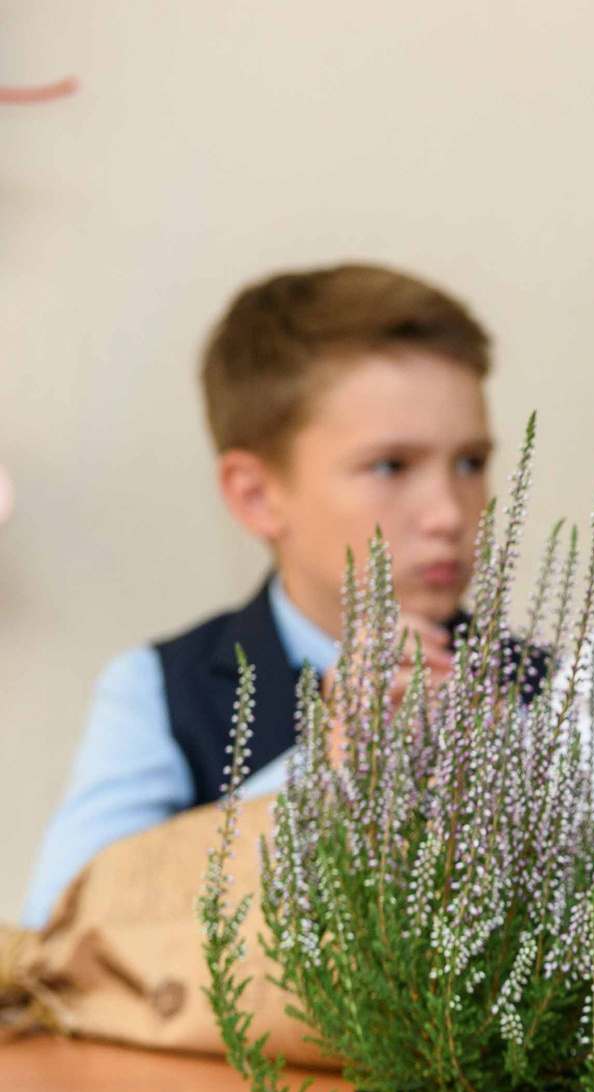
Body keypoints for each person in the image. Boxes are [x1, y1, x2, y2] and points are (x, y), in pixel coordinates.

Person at [21, 264, 495, 928]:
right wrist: (322, 774)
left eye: (471, 462)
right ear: (256, 495)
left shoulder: (557, 688)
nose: (448, 512)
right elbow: (56, 935)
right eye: (390, 465)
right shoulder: (158, 693)